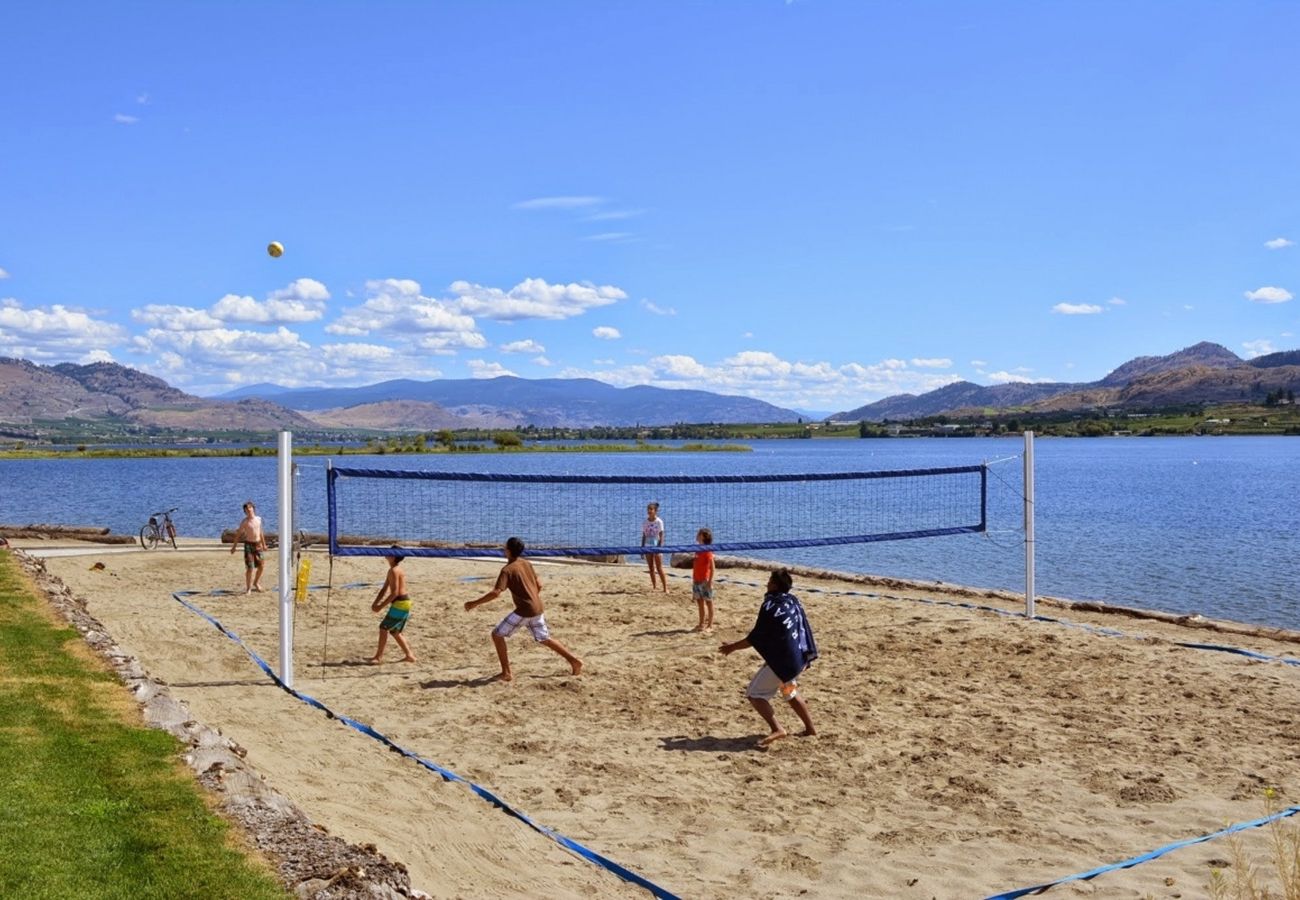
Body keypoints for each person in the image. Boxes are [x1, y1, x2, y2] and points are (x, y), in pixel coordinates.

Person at [719, 568, 818, 747]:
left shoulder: (770, 605)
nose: (766, 583)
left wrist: (731, 648)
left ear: (773, 584)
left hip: (783, 662)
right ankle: (810, 729)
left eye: (769, 580)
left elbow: (756, 637)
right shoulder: (793, 601)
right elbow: (794, 630)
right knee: (790, 692)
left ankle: (777, 729)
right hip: (798, 656)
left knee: (754, 695)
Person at [464, 536, 583, 682]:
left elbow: (496, 593)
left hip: (525, 610)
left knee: (497, 635)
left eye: (504, 547)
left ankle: (506, 673)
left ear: (508, 550)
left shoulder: (507, 570)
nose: (503, 548)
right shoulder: (526, 563)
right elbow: (539, 585)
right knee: (544, 638)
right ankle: (574, 661)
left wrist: (474, 603)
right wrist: (531, 598)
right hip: (537, 607)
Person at [369, 550, 416, 664]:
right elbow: (384, 589)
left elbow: (394, 593)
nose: (387, 552)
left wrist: (380, 607)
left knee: (383, 627)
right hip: (403, 603)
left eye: (390, 551)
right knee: (395, 631)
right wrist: (375, 603)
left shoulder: (395, 571)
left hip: (401, 603)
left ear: (394, 556)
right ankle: (410, 656)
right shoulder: (392, 570)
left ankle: (378, 657)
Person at [229, 501, 267, 595]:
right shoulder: (244, 522)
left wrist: (264, 544)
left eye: (250, 508)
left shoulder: (258, 519)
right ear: (245, 511)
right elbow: (238, 535)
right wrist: (234, 547)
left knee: (261, 566)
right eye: (247, 509)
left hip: (258, 544)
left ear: (253, 508)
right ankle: (248, 588)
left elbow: (260, 532)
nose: (249, 510)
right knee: (250, 568)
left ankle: (256, 582)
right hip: (249, 545)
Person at [691, 527, 715, 631]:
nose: (697, 534)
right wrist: (693, 580)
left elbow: (712, 567)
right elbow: (696, 566)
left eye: (699, 533)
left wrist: (710, 581)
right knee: (700, 603)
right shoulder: (697, 549)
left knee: (708, 602)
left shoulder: (707, 551)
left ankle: (710, 625)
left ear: (703, 536)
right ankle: (701, 624)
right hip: (696, 580)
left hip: (705, 581)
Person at [641, 501, 667, 592]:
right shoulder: (645, 522)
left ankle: (665, 588)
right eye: (648, 509)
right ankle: (654, 587)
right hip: (648, 545)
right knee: (651, 568)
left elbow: (662, 535)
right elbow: (644, 535)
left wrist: (659, 547)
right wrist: (642, 548)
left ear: (655, 511)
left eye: (651, 509)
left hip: (657, 545)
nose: (649, 511)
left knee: (659, 568)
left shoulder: (659, 521)